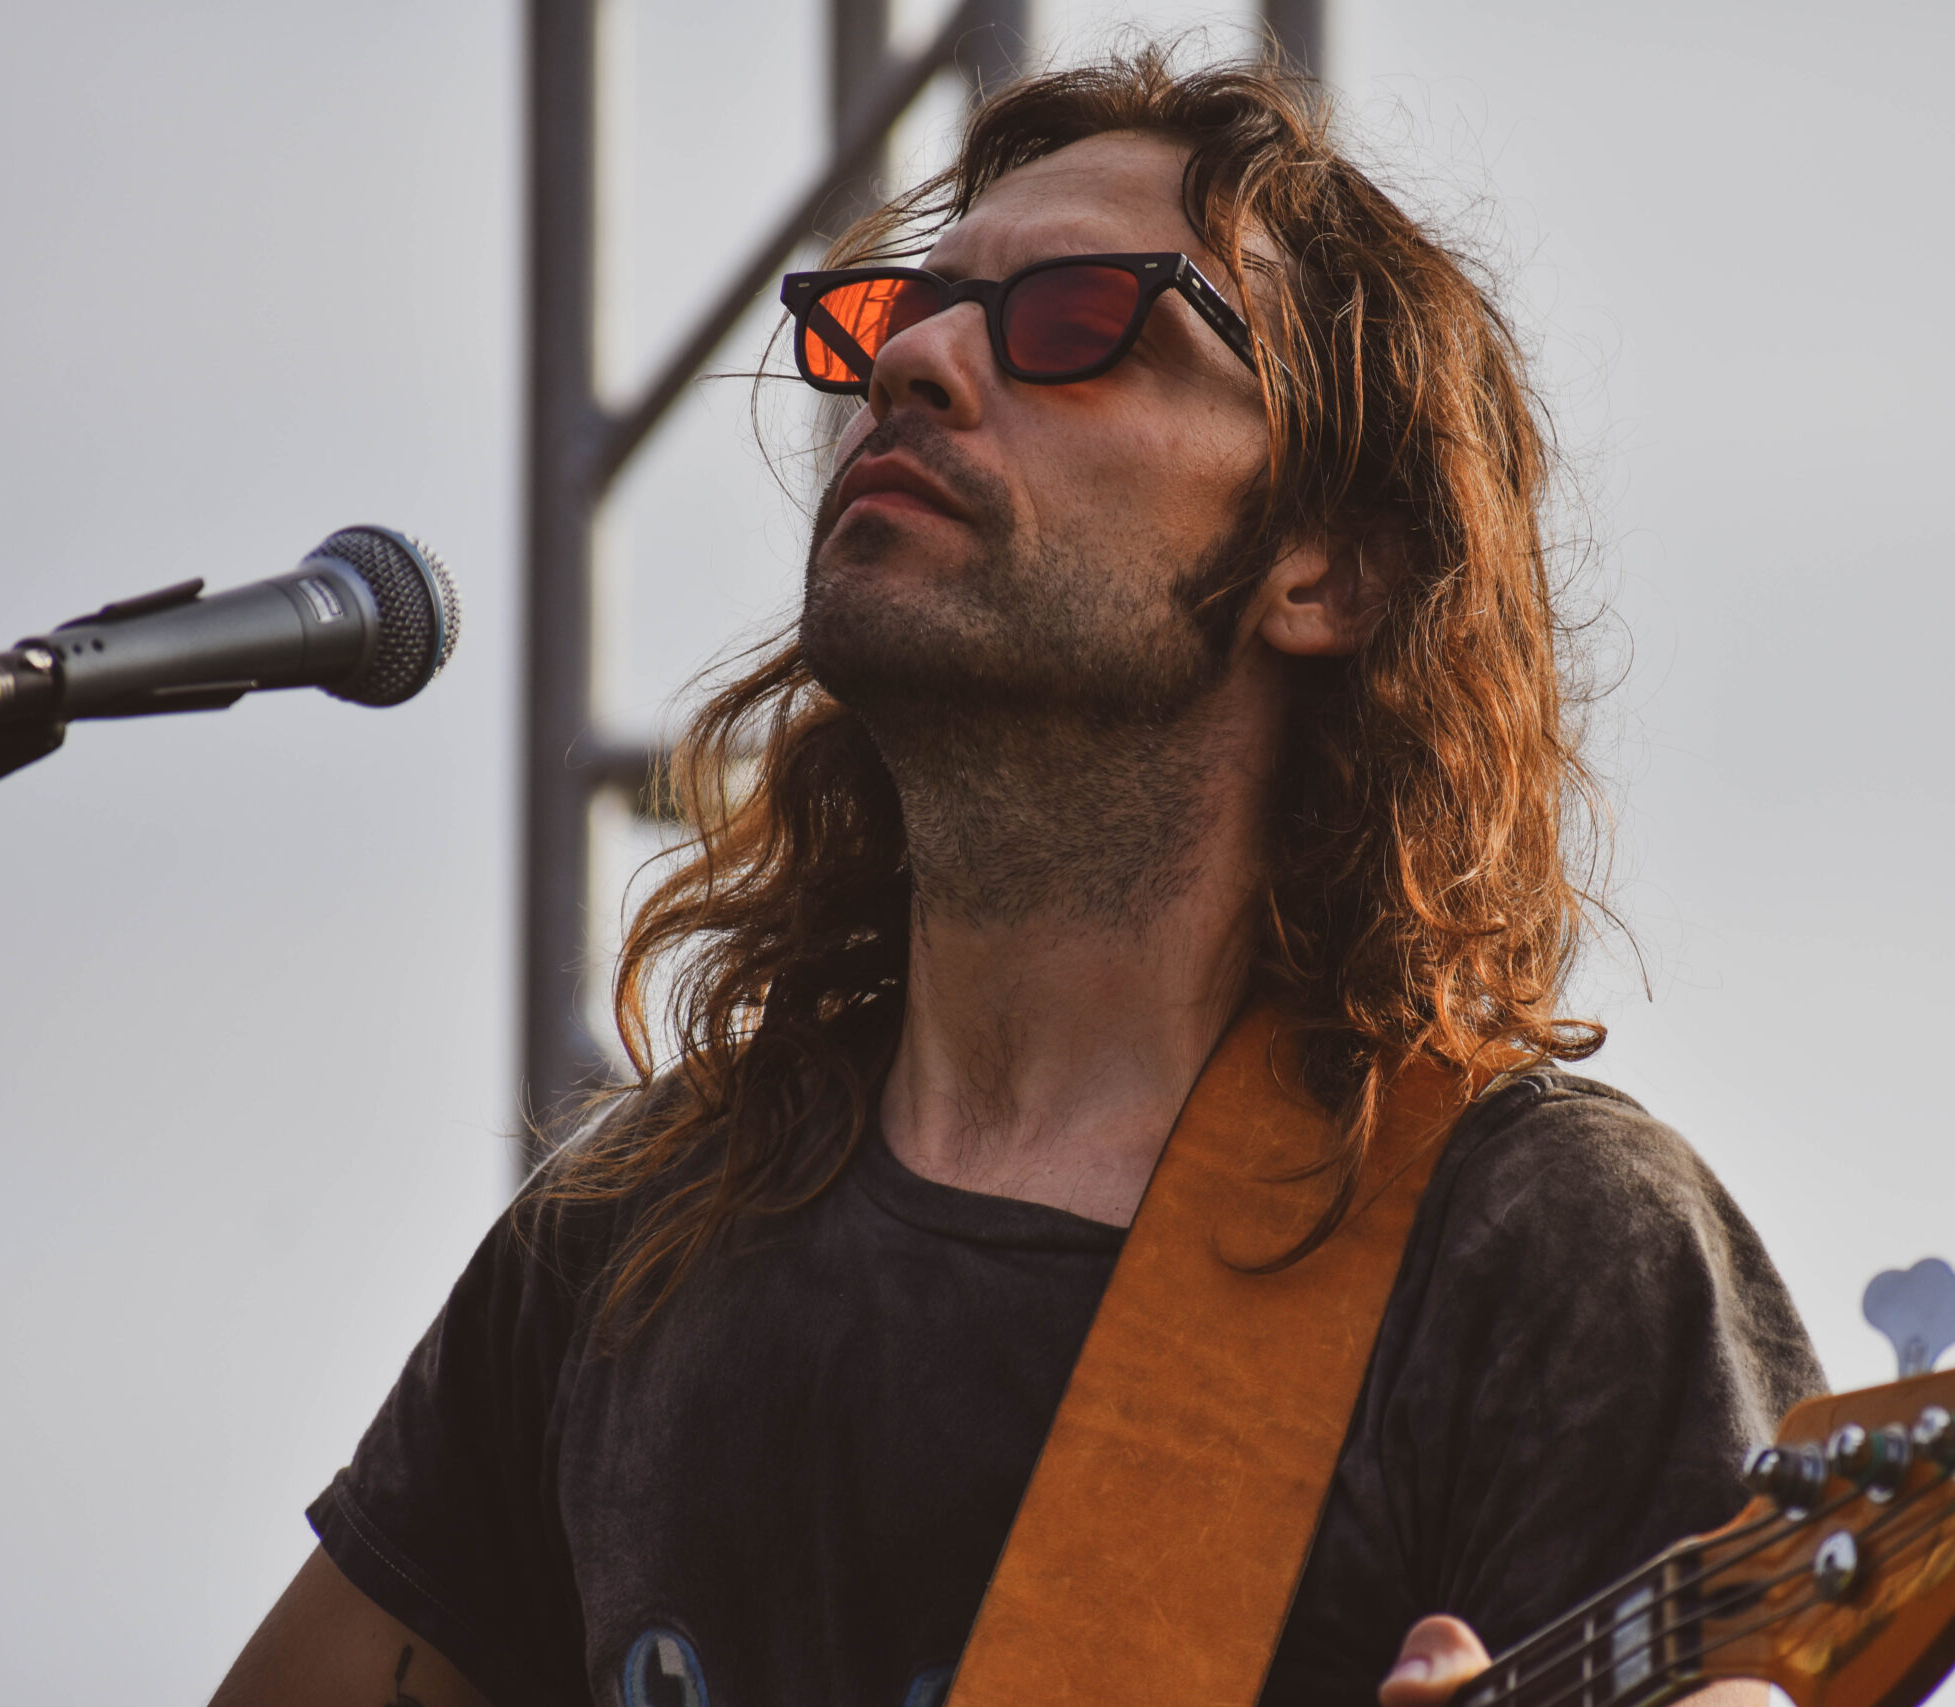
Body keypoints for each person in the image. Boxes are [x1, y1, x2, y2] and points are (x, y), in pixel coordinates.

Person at [212, 50, 1821, 1707]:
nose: (913, 361)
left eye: (1078, 319)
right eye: (900, 317)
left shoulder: (1536, 1249)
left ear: (1328, 568)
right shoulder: (633, 1235)